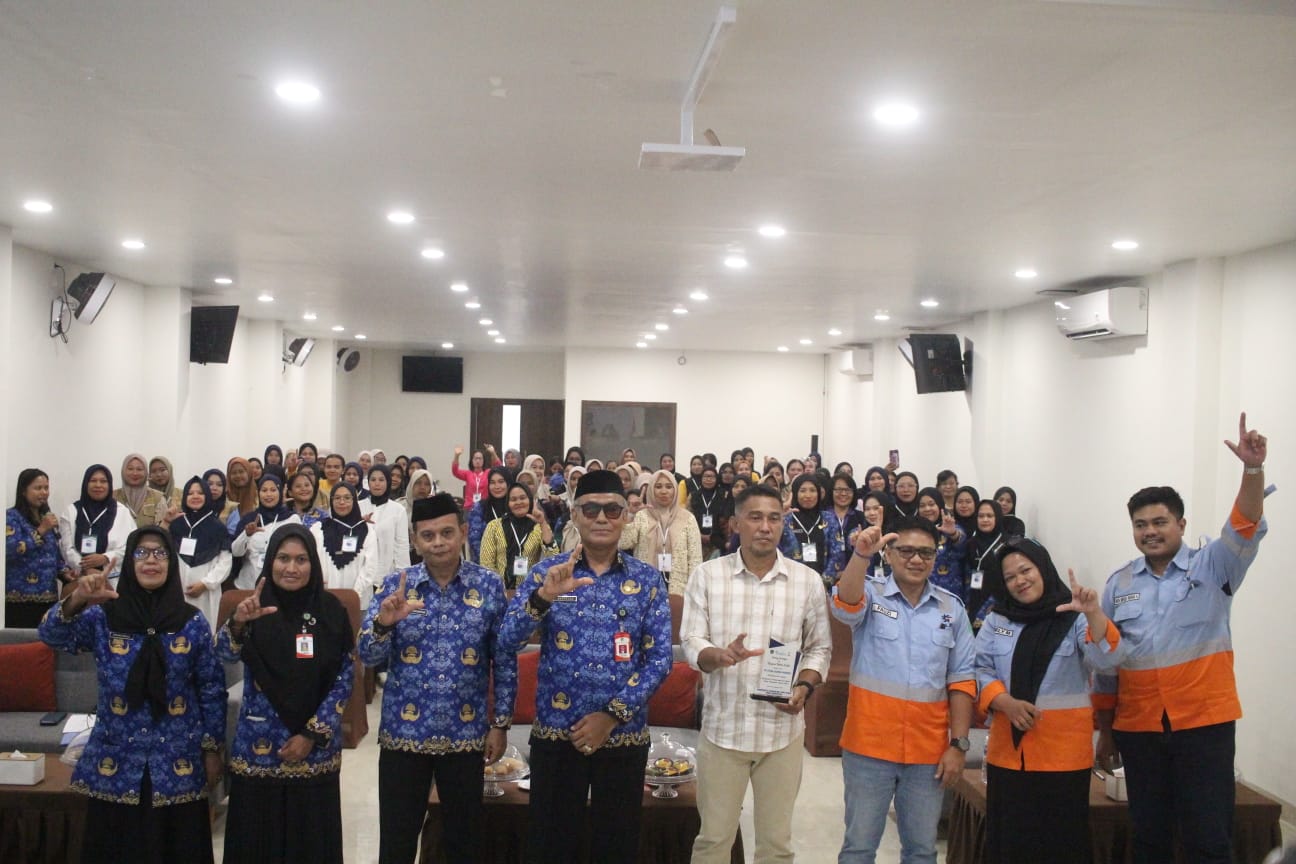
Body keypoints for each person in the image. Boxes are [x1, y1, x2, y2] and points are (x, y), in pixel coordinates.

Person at [1094, 413, 1268, 864]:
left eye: (1160, 521)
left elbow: (1244, 523)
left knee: (1208, 838)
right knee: (1149, 838)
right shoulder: (1118, 584)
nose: (1150, 531)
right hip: (1140, 729)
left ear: (1182, 524)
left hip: (1203, 726)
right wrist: (1106, 730)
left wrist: (1252, 469)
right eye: (1140, 524)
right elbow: (1108, 665)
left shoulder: (1214, 566)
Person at [498, 470, 672, 864]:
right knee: (550, 847)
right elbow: (507, 641)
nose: (601, 518)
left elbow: (660, 659)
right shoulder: (548, 573)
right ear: (574, 515)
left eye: (612, 510)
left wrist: (611, 716)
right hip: (556, 735)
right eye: (590, 509)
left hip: (622, 736)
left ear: (626, 516)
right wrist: (542, 598)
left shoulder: (646, 580)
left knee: (617, 847)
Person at [40, 527, 226, 864]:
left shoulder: (191, 622)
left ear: (171, 563)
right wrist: (78, 597)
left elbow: (211, 689)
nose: (151, 560)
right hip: (117, 761)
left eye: (160, 553)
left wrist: (212, 749)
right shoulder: (104, 616)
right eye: (141, 553)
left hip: (177, 761)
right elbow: (51, 635)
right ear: (129, 563)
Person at [357, 493, 516, 864]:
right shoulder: (396, 586)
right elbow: (367, 656)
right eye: (428, 536)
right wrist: (383, 624)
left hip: (465, 735)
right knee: (396, 842)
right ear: (415, 540)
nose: (438, 543)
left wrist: (500, 724)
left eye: (446, 533)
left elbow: (504, 659)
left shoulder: (488, 585)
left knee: (464, 841)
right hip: (404, 736)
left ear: (462, 532)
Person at [681, 484, 832, 864]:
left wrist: (804, 686)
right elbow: (692, 639)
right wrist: (717, 655)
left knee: (776, 846)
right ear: (736, 523)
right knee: (713, 841)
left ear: (783, 524)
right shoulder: (707, 575)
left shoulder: (807, 581)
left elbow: (819, 648)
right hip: (723, 731)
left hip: (781, 735)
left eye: (774, 518)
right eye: (755, 517)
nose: (765, 526)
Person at [832, 518, 976, 864]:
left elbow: (962, 681)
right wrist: (861, 555)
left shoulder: (951, 609)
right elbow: (844, 605)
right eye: (907, 551)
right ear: (889, 554)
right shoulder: (870, 593)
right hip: (869, 746)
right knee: (859, 848)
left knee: (922, 851)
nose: (916, 559)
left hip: (927, 753)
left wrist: (958, 745)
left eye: (926, 552)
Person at [975, 538, 1125, 864]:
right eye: (1010, 576)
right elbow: (979, 669)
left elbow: (1107, 662)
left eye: (1025, 570)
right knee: (1009, 846)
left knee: (1060, 847)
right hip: (1008, 756)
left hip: (1063, 759)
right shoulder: (997, 620)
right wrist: (1004, 701)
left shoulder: (1074, 617)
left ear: (1043, 568)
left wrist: (1094, 613)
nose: (1020, 580)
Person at [217, 524, 354, 864]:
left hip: (314, 752)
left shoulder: (331, 611)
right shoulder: (252, 607)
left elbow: (345, 677)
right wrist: (238, 622)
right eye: (283, 558)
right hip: (259, 748)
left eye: (301, 559)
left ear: (313, 564)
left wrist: (311, 734)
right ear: (270, 562)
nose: (291, 568)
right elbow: (222, 656)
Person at [620, 468, 704, 595]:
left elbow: (695, 558)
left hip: (679, 588)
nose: (664, 491)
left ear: (675, 490)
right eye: (658, 486)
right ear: (651, 490)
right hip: (645, 584)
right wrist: (630, 514)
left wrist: (694, 588)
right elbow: (624, 543)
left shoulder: (688, 518)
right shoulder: (642, 516)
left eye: (669, 487)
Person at [6, 469, 72, 627]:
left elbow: (53, 554)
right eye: (38, 488)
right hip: (19, 601)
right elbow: (10, 550)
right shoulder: (11, 517)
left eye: (46, 488)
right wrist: (41, 530)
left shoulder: (46, 517)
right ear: (23, 491)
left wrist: (65, 572)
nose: (44, 492)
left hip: (49, 600)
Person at [170, 476, 232, 634]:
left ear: (208, 496)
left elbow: (225, 562)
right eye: (190, 493)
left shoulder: (217, 527)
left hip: (206, 593)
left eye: (200, 493)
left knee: (204, 632)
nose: (195, 496)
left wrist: (205, 583)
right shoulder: (176, 524)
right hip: (178, 590)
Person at [59, 464, 135, 584]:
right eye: (93, 481)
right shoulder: (71, 511)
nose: (98, 485)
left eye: (103, 481)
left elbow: (131, 546)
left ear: (109, 485)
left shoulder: (122, 512)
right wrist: (85, 567)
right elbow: (66, 548)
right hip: (79, 579)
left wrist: (106, 558)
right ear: (86, 484)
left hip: (113, 580)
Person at [479, 482, 558, 591]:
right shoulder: (494, 526)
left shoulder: (539, 527)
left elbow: (553, 558)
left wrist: (543, 522)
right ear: (508, 503)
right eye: (513, 499)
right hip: (499, 591)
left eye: (522, 498)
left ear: (530, 500)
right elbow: (486, 564)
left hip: (530, 591)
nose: (518, 502)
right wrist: (498, 590)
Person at [231, 475, 303, 589]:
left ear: (280, 492)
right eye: (264, 490)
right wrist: (246, 534)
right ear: (258, 493)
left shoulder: (292, 519)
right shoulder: (249, 519)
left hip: (280, 586)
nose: (268, 494)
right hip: (248, 585)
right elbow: (236, 552)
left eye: (273, 490)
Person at [313, 482, 382, 595]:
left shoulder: (366, 530)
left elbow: (370, 566)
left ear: (354, 500)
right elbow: (313, 561)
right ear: (331, 501)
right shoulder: (318, 529)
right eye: (337, 498)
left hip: (358, 597)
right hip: (325, 596)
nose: (342, 502)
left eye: (347, 498)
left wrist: (353, 594)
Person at [780, 473, 844, 589]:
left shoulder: (829, 518)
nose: (808, 495)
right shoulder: (786, 519)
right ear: (795, 493)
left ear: (819, 494)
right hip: (790, 585)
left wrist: (824, 583)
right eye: (803, 491)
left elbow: (836, 553)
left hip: (823, 586)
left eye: (812, 490)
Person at [916, 486, 968, 600]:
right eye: (922, 506)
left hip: (949, 593)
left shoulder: (951, 526)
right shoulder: (914, 531)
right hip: (919, 593)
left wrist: (953, 534)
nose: (927, 509)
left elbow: (963, 549)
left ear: (939, 505)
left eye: (931, 504)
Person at [964, 499, 1008, 631]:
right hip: (973, 598)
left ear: (997, 517)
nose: (985, 520)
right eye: (981, 516)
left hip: (998, 603)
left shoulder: (1007, 544)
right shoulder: (971, 543)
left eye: (989, 516)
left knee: (1000, 636)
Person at [827, 472, 867, 576]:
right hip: (826, 575)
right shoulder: (823, 516)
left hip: (854, 574)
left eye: (848, 490)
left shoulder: (860, 517)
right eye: (839, 490)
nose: (844, 494)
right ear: (831, 491)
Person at [467, 467, 511, 562]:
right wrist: (489, 563)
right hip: (485, 563)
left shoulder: (514, 506)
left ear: (508, 483)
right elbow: (474, 540)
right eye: (492, 482)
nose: (497, 486)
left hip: (512, 562)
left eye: (501, 482)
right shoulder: (480, 508)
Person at [116, 453, 170, 529]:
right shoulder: (113, 497)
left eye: (139, 469)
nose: (135, 473)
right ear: (123, 471)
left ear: (146, 473)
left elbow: (163, 530)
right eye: (130, 469)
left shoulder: (158, 498)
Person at [688, 465, 731, 559]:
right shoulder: (694, 496)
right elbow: (688, 518)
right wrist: (699, 535)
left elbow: (726, 519)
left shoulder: (724, 495)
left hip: (718, 543)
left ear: (717, 478)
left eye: (712, 477)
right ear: (701, 478)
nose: (708, 479)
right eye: (706, 476)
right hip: (697, 541)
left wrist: (714, 537)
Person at [224, 457, 258, 534]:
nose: (238, 475)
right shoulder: (224, 497)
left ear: (248, 473)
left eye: (241, 471)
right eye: (234, 473)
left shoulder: (258, 495)